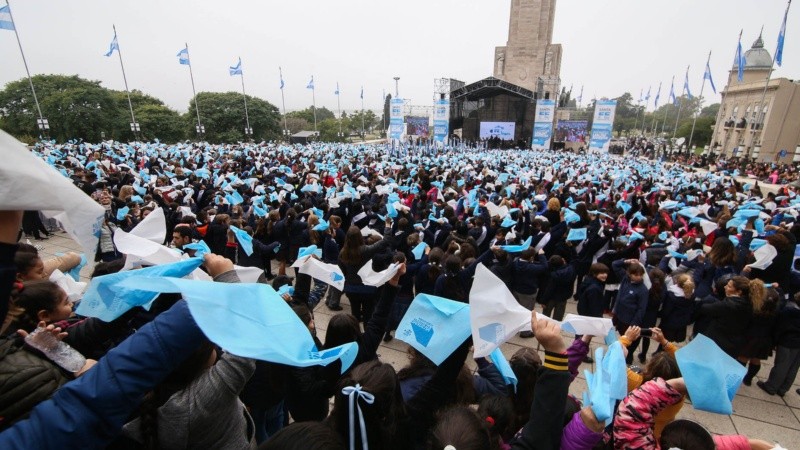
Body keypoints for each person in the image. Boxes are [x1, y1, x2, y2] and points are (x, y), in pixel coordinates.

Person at [700, 276, 760, 359]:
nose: (725, 287)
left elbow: (705, 308)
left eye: (729, 286)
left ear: (739, 292)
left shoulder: (728, 305)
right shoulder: (751, 303)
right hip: (734, 345)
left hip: (717, 343)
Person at [758, 293, 800, 396]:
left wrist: (775, 341)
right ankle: (783, 389)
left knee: (782, 364)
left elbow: (780, 327)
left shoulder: (788, 312)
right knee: (793, 367)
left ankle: (771, 386)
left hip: (787, 341)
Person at [610, 259, 649, 364]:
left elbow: (641, 309)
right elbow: (615, 264)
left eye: (640, 275)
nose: (638, 277)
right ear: (629, 274)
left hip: (630, 320)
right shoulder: (625, 279)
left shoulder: (643, 290)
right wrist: (627, 261)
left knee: (630, 341)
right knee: (622, 336)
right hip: (620, 315)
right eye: (635, 274)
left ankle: (628, 357)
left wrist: (633, 324)